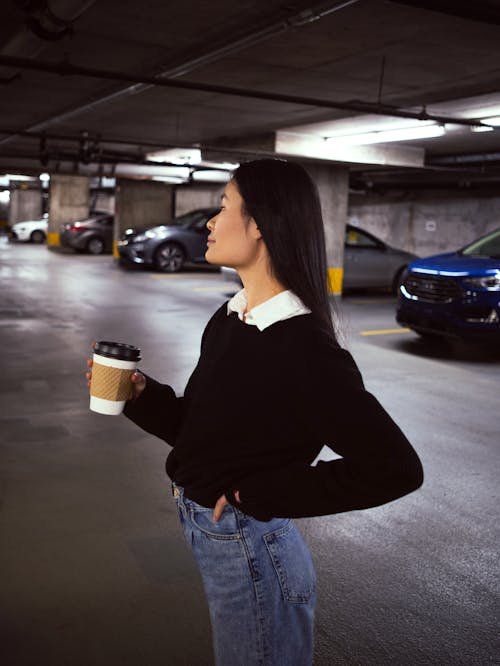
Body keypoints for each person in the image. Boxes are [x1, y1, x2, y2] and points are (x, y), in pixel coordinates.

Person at [86, 158, 423, 666]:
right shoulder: (231, 318)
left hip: (251, 550)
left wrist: (262, 493)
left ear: (261, 224)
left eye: (223, 207)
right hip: (217, 537)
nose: (211, 222)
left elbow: (395, 469)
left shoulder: (305, 350)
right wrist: (141, 395)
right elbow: (199, 430)